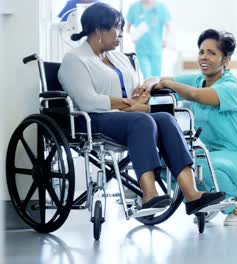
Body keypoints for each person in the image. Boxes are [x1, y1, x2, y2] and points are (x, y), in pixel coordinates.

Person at [57, 3, 225, 215]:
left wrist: (140, 97)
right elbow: (87, 100)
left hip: (126, 118)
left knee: (164, 118)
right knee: (142, 120)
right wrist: (129, 104)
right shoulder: (75, 59)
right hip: (93, 119)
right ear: (99, 30)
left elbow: (133, 90)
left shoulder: (117, 56)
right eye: (116, 28)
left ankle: (192, 195)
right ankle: (149, 195)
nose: (120, 33)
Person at [136, 29, 237, 226]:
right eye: (201, 52)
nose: (204, 57)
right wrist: (150, 83)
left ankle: (236, 199)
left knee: (199, 167)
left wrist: (169, 83)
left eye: (212, 53)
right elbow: (160, 80)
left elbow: (195, 95)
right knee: (166, 165)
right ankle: (210, 200)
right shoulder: (198, 79)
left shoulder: (230, 87)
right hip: (212, 153)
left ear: (226, 60)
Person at [126, 0, 171, 79]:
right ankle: (148, 90)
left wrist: (166, 39)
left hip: (156, 48)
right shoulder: (134, 7)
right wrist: (132, 36)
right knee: (146, 75)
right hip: (141, 48)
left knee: (156, 76)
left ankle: (154, 90)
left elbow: (168, 26)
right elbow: (128, 28)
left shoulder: (161, 7)